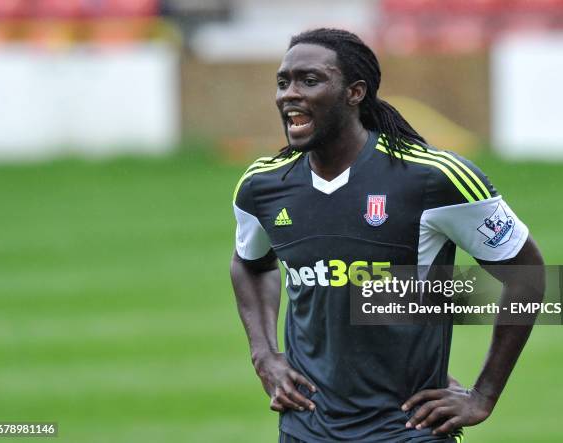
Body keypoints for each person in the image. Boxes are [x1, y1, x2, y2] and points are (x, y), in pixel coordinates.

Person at [230, 28, 544, 443]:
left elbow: (530, 276)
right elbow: (250, 265)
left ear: (355, 92)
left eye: (309, 80)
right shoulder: (263, 186)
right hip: (305, 430)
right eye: (283, 81)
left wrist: (483, 395)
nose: (289, 94)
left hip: (407, 431)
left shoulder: (434, 178)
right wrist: (264, 354)